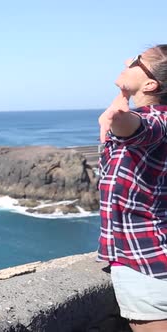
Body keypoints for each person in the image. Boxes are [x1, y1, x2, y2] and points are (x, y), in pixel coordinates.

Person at [98, 44, 167, 332]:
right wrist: (124, 94)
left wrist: (116, 116)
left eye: (137, 60)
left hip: (145, 265)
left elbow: (135, 128)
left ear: (151, 84)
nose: (129, 60)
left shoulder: (158, 122)